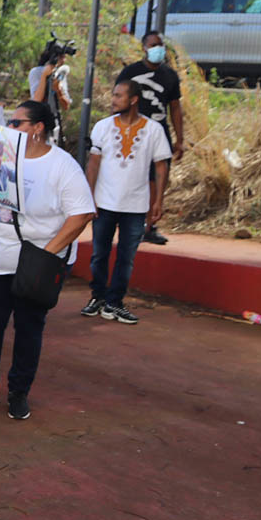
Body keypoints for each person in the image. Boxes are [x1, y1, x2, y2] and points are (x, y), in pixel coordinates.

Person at [0, 100, 95, 421]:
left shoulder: (61, 165)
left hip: (33, 265)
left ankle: (19, 393)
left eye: (17, 123)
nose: (10, 128)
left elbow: (83, 213)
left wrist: (47, 254)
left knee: (29, 329)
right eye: (9, 122)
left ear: (38, 129)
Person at [82, 80, 171, 324]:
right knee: (99, 254)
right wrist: (89, 196)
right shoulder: (102, 127)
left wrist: (158, 201)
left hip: (136, 205)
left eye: (119, 96)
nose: (113, 100)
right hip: (104, 202)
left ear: (133, 100)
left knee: (126, 258)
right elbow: (93, 163)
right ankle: (98, 297)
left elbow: (161, 166)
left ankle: (115, 302)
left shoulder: (153, 130)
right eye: (113, 95)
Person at [114, 31, 184, 246]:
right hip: (133, 132)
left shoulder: (170, 76)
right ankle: (126, 222)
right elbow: (117, 100)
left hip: (158, 132)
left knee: (157, 178)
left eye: (161, 45)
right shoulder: (131, 72)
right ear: (144, 48)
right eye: (154, 45)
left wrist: (180, 139)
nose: (158, 49)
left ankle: (149, 225)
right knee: (132, 177)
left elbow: (175, 107)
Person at [28, 48, 72, 144]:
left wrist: (58, 90)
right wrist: (44, 76)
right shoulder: (36, 72)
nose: (63, 61)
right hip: (38, 121)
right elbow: (36, 101)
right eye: (61, 57)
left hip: (53, 123)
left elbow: (66, 106)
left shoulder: (60, 73)